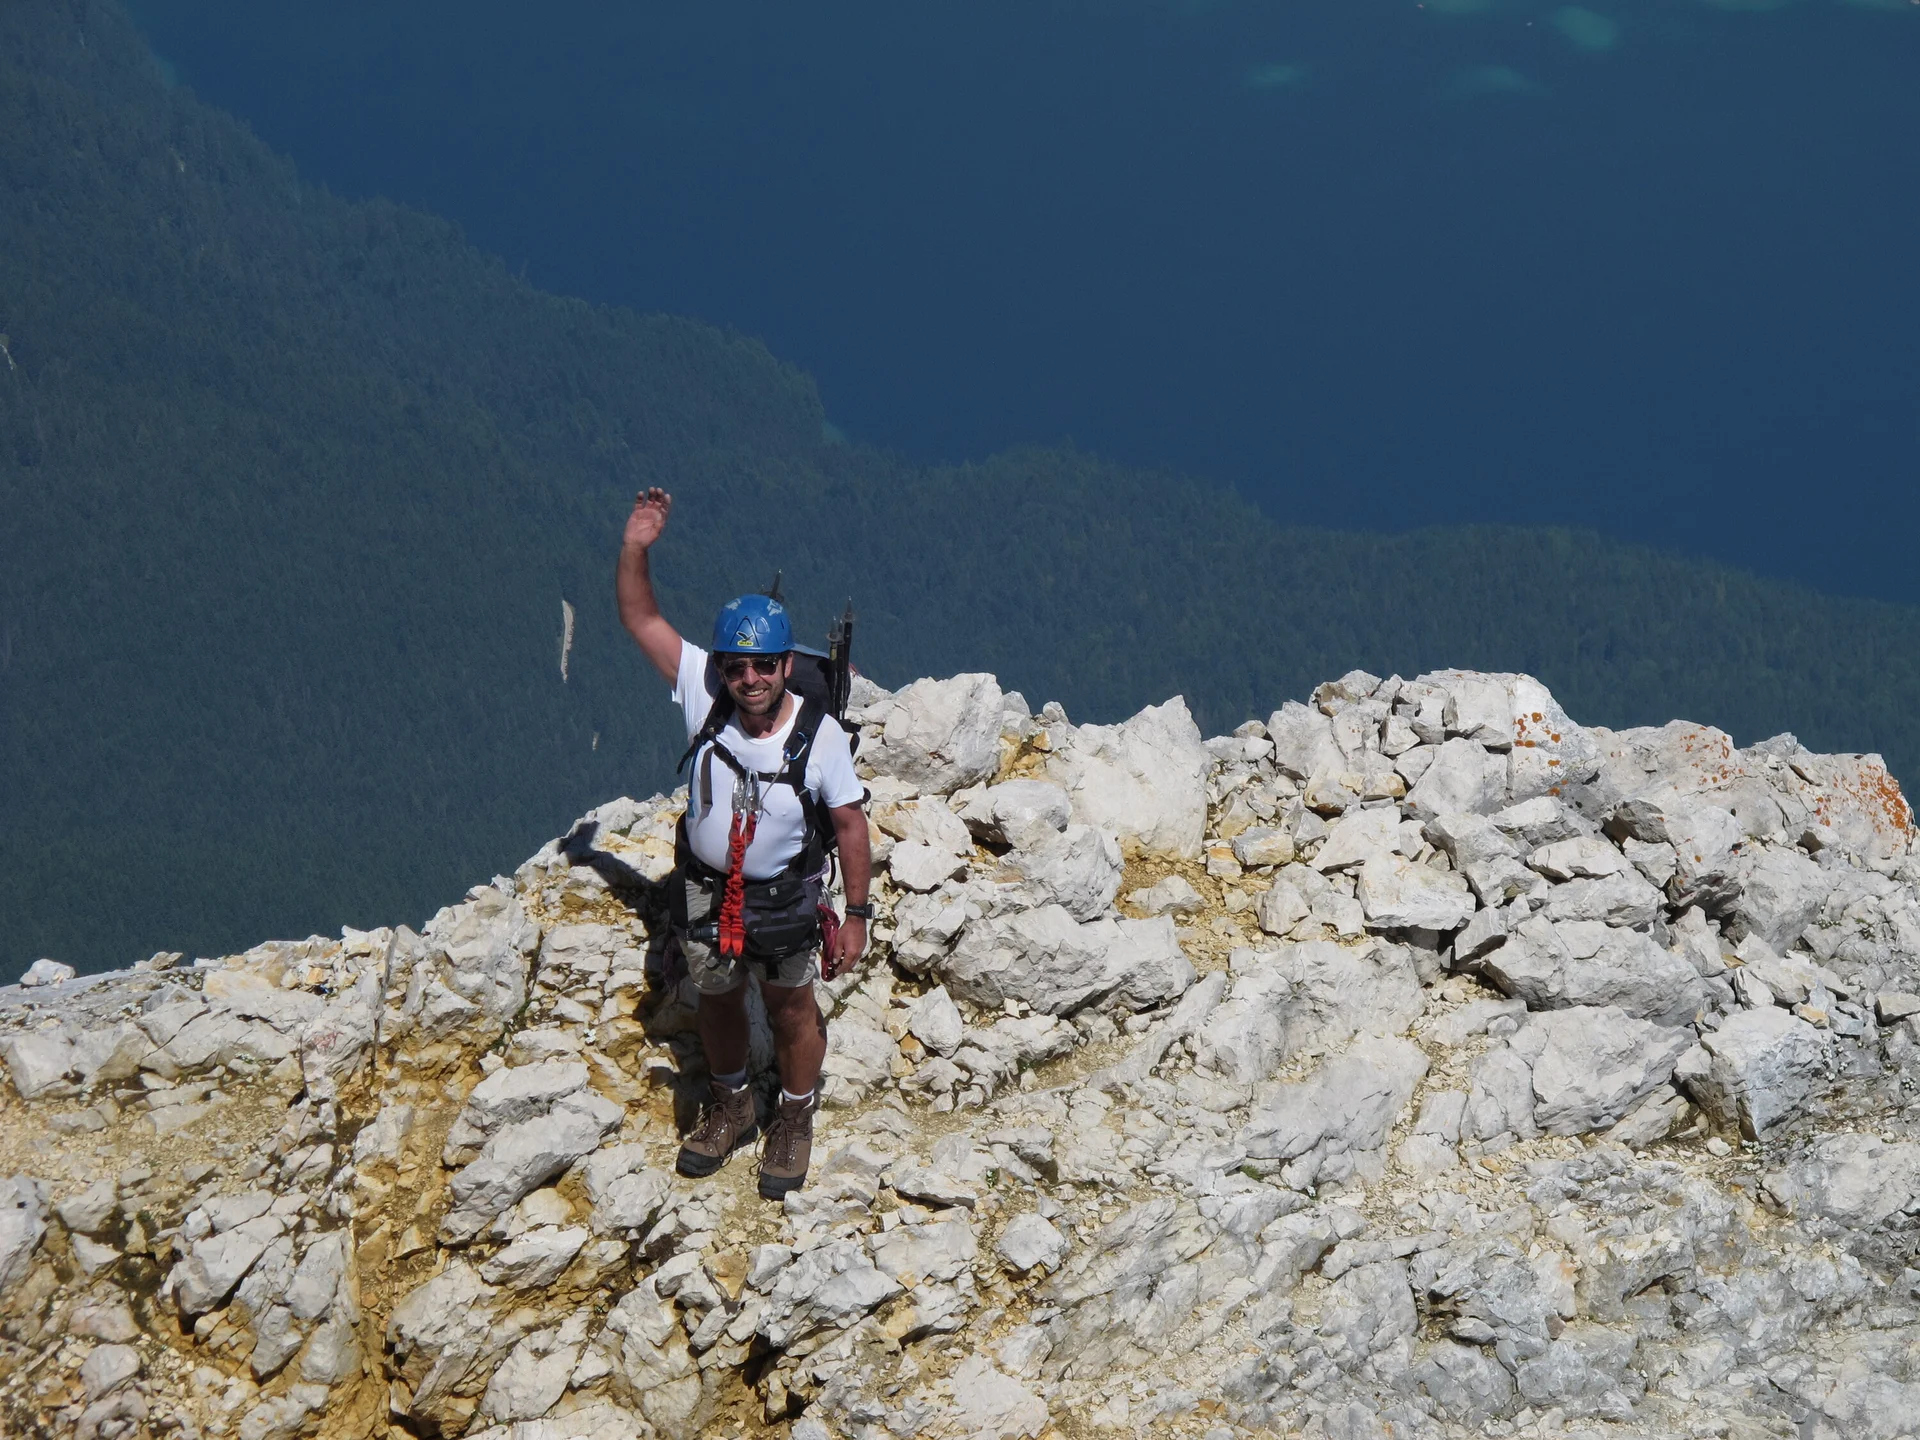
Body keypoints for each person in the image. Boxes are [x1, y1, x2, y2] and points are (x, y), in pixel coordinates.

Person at [615, 486, 873, 1199]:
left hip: (785, 894)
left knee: (790, 1007)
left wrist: (856, 916)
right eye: (736, 666)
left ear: (787, 665)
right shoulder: (705, 695)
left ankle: (793, 1117)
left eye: (763, 666)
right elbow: (640, 616)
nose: (749, 680)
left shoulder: (820, 736)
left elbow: (850, 826)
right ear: (722, 668)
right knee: (719, 999)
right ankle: (732, 1106)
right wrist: (635, 547)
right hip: (706, 890)